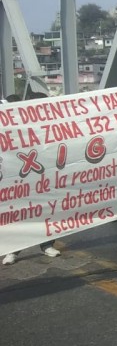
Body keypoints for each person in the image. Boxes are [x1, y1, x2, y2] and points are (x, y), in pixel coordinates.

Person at [2, 92, 61, 265]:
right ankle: (13, 250)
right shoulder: (12, 124)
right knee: (20, 213)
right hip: (20, 177)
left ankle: (47, 245)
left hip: (46, 175)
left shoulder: (52, 125)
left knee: (46, 211)